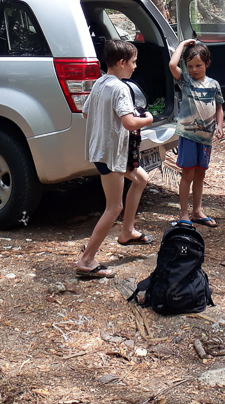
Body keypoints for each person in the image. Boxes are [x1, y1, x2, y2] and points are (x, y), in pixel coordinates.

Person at [75, 39, 155, 279]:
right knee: (114, 206)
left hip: (101, 150)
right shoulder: (121, 88)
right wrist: (148, 119)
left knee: (141, 178)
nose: (135, 67)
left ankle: (127, 231)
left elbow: (85, 111)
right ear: (121, 62)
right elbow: (129, 122)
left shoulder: (100, 82)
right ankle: (87, 260)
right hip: (111, 155)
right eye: (133, 62)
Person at [168, 39, 225, 227]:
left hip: (206, 138)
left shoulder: (214, 84)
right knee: (187, 174)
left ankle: (197, 211)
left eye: (198, 65)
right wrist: (183, 45)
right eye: (190, 66)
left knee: (200, 174)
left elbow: (219, 107)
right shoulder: (185, 81)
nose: (194, 69)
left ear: (207, 64)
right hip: (188, 135)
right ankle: (184, 213)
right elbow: (171, 64)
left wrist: (219, 126)